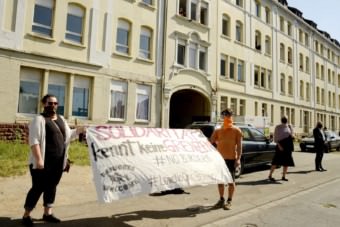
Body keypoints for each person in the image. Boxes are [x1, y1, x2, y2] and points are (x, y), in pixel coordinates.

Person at [22, 94, 85, 226]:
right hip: (43, 163)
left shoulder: (61, 119)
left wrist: (79, 131)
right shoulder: (39, 119)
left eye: (55, 103)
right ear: (44, 104)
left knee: (51, 187)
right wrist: (39, 160)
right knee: (37, 188)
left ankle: (47, 213)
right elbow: (34, 141)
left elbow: (68, 136)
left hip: (58, 163)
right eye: (50, 103)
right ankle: (26, 215)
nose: (53, 106)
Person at [210, 108, 242, 210]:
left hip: (231, 159)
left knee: (230, 181)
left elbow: (240, 146)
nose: (227, 117)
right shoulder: (218, 130)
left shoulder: (237, 130)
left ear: (231, 116)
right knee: (220, 181)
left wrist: (238, 159)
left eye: (228, 115)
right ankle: (221, 199)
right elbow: (210, 141)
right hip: (220, 160)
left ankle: (229, 200)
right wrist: (199, 135)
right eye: (225, 115)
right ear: (223, 116)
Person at [268, 116, 295, 182]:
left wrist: (292, 132)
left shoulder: (289, 126)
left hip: (287, 147)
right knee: (275, 162)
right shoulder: (278, 127)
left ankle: (283, 176)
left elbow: (292, 136)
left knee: (286, 162)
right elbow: (275, 138)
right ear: (282, 120)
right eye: (285, 119)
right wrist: (279, 146)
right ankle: (270, 175)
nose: (285, 120)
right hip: (280, 146)